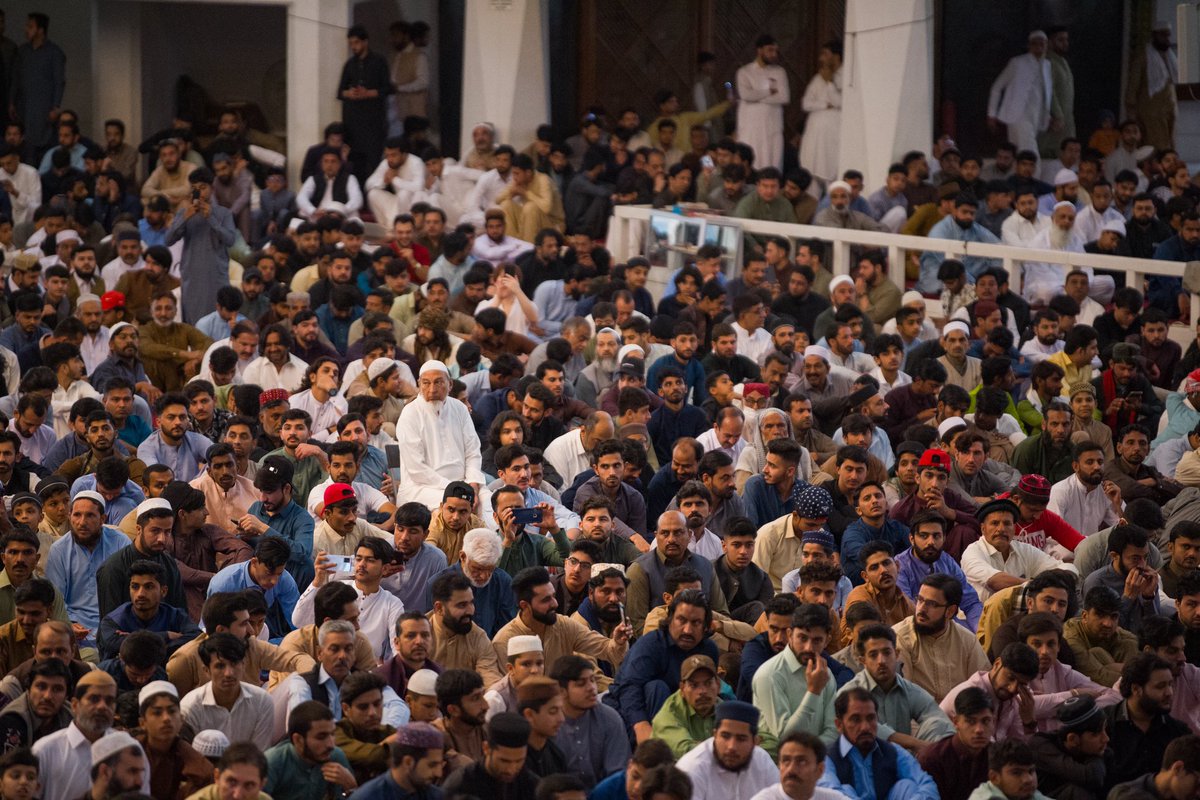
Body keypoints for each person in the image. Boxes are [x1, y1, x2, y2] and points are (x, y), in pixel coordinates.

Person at [840, 623, 954, 753]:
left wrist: (936, 747)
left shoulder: (909, 690)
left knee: (938, 725)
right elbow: (865, 729)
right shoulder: (849, 693)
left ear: (897, 654)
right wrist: (915, 743)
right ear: (863, 661)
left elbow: (938, 718)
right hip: (863, 765)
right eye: (873, 655)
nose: (881, 660)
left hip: (904, 765)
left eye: (887, 652)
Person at [816, 687, 938, 800]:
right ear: (839, 725)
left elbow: (926, 783)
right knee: (843, 792)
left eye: (870, 718)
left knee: (906, 786)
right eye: (855, 719)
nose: (865, 727)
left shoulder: (892, 751)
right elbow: (829, 794)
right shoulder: (827, 758)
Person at [396, 360, 485, 510]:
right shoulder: (410, 414)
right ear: (419, 384)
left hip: (464, 484)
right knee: (457, 504)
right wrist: (455, 488)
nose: (432, 389)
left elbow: (473, 452)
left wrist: (473, 484)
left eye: (438, 382)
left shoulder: (460, 409)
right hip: (422, 489)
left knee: (489, 503)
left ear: (450, 384)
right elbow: (417, 470)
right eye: (426, 383)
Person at [895, 573, 992, 702]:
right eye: (920, 599)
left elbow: (983, 687)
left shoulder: (966, 640)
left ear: (950, 611)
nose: (921, 609)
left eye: (932, 604)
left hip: (960, 716)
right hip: (917, 718)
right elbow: (901, 697)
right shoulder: (900, 636)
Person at [753, 603, 838, 745]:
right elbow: (785, 737)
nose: (809, 647)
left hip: (818, 759)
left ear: (827, 641)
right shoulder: (769, 675)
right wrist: (813, 692)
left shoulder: (825, 673)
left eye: (817, 640)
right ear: (790, 635)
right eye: (802, 638)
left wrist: (811, 755)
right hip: (775, 761)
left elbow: (834, 730)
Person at [675, 700, 778, 800]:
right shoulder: (692, 768)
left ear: (755, 742)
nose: (731, 746)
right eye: (725, 736)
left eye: (741, 739)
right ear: (715, 735)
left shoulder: (762, 761)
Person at [264, 700, 357, 800]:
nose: (331, 744)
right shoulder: (272, 762)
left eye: (333, 734)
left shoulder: (335, 756)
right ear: (298, 740)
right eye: (321, 737)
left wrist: (351, 788)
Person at [1025, 694, 1110, 800]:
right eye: (1095, 734)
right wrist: (1097, 754)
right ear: (1073, 739)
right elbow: (1091, 777)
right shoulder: (1041, 745)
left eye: (1104, 730)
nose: (1106, 739)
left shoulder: (1095, 748)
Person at [441, 711, 539, 800]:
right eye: (504, 761)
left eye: (519, 761)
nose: (511, 770)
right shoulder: (460, 786)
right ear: (486, 748)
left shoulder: (530, 784)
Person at [918, 687, 994, 800]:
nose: (979, 729)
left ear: (994, 721)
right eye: (971, 721)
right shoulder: (932, 759)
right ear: (956, 722)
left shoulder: (999, 757)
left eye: (985, 721)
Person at [347, 721, 445, 800]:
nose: (439, 773)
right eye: (432, 765)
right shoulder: (367, 797)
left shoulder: (437, 795)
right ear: (408, 762)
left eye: (440, 765)